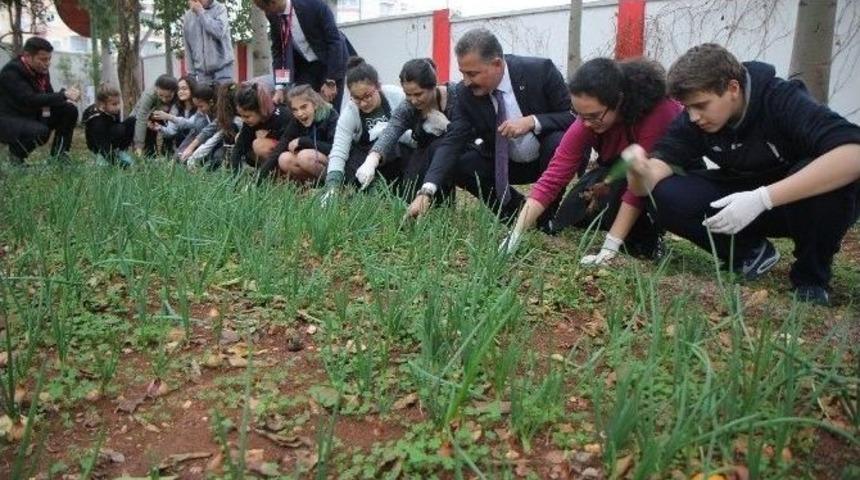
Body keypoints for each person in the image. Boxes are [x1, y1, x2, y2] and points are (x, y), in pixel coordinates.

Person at [624, 43, 860, 306]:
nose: (693, 117)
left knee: (828, 178)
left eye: (701, 105)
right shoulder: (693, 122)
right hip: (740, 197)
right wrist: (639, 171)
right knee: (663, 194)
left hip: (799, 202)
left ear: (733, 88)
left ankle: (811, 279)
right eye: (687, 107)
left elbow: (853, 153)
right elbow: (647, 184)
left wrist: (763, 198)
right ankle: (748, 253)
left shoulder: (780, 99)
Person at [502, 58, 683, 262]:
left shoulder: (658, 112)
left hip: (663, 173)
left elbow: (637, 188)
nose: (586, 124)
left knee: (625, 198)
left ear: (619, 100)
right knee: (574, 213)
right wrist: (515, 235)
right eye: (580, 115)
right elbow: (554, 175)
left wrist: (609, 247)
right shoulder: (588, 120)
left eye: (593, 116)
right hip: (616, 169)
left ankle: (649, 237)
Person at [404, 28, 574, 224]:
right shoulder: (464, 94)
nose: (466, 81)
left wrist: (532, 121)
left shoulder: (540, 71)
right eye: (463, 73)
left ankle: (545, 216)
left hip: (547, 159)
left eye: (472, 74)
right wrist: (426, 191)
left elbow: (573, 117)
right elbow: (452, 141)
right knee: (461, 160)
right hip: (503, 163)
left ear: (497, 64)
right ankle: (515, 210)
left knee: (558, 141)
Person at [366, 58, 461, 202]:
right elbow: (391, 130)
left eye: (418, 94)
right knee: (409, 193)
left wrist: (447, 126)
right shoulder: (408, 107)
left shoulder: (455, 95)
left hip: (454, 151)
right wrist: (373, 158)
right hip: (423, 152)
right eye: (408, 94)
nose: (413, 100)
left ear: (433, 85)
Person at [322, 57, 415, 196]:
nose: (363, 103)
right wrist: (332, 187)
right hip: (365, 160)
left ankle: (400, 190)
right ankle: (372, 190)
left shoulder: (397, 96)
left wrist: (387, 133)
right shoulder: (350, 112)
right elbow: (339, 151)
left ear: (378, 86)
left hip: (398, 156)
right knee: (348, 159)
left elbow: (416, 136)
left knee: (393, 146)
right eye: (356, 98)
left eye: (367, 96)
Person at [251, 0, 355, 110]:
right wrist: (280, 87)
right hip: (305, 67)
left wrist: (331, 80)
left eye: (267, 9)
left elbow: (335, 42)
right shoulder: (273, 16)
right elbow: (279, 53)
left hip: (331, 62)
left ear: (273, 2)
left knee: (330, 110)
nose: (267, 13)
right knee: (302, 106)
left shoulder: (313, 4)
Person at [0, 37, 80, 164]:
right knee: (40, 131)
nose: (47, 63)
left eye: (49, 59)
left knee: (69, 110)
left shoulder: (41, 71)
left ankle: (60, 156)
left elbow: (48, 96)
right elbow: (29, 99)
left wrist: (64, 99)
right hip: (10, 119)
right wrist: (64, 95)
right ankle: (16, 157)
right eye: (43, 59)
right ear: (27, 56)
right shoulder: (12, 72)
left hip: (33, 114)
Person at [258, 84, 338, 183]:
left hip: (333, 162)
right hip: (311, 159)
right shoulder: (296, 121)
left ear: (315, 104)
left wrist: (303, 141)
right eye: (295, 110)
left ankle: (332, 183)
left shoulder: (331, 116)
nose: (299, 113)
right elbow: (280, 147)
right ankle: (310, 184)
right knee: (284, 159)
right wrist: (260, 176)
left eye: (304, 107)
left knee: (304, 157)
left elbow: (334, 148)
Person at [230, 82, 291, 170]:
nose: (243, 120)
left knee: (259, 145)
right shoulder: (250, 123)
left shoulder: (283, 117)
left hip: (287, 155)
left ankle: (275, 174)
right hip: (271, 159)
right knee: (239, 138)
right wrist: (234, 171)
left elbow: (285, 144)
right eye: (241, 116)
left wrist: (270, 135)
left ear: (261, 110)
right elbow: (239, 147)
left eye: (247, 116)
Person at [185, 81, 242, 169]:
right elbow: (213, 136)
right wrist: (192, 156)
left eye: (201, 106)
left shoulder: (234, 120)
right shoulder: (226, 119)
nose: (199, 110)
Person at [182, 0, 235, 84]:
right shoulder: (188, 17)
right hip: (202, 74)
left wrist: (200, 12)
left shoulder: (220, 9)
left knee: (224, 92)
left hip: (223, 70)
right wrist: (191, 74)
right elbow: (188, 47)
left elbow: (219, 32)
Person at [82, 84, 135, 167]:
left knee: (131, 121)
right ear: (102, 105)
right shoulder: (96, 121)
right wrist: (119, 164)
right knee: (118, 130)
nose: (118, 107)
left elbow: (117, 126)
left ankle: (120, 151)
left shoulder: (112, 111)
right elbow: (103, 145)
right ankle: (100, 158)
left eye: (118, 103)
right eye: (114, 104)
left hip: (110, 136)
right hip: (99, 147)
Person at [130, 74, 179, 156]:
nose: (164, 99)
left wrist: (168, 116)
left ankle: (168, 153)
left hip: (163, 117)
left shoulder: (178, 94)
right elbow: (141, 118)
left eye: (168, 97)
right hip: (142, 118)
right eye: (161, 95)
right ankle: (148, 154)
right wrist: (139, 146)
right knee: (148, 140)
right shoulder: (149, 94)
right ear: (156, 88)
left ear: (175, 91)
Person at [153, 76, 198, 152]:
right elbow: (171, 132)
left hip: (196, 145)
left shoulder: (199, 105)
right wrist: (159, 128)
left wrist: (169, 117)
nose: (180, 92)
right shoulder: (176, 107)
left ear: (192, 89)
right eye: (179, 89)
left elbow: (190, 123)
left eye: (184, 89)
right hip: (181, 146)